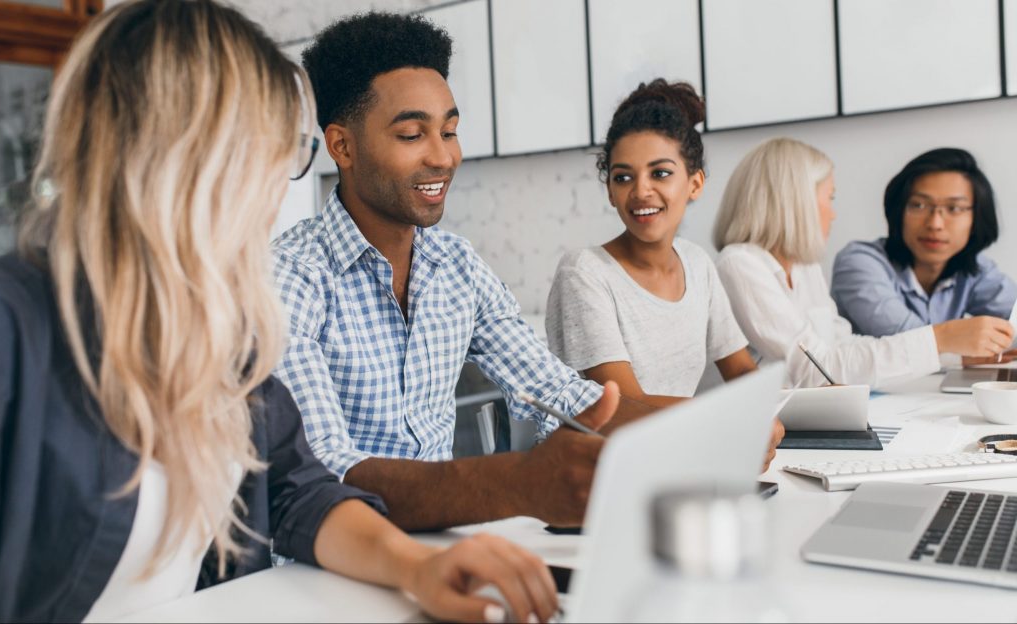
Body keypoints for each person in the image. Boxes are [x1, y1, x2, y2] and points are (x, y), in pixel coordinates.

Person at [0, 2, 558, 622]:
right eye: (267, 154)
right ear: (178, 157)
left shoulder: (215, 329)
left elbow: (299, 493)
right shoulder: (11, 325)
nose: (276, 189)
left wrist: (415, 566)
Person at [271, 10, 658, 532]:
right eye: (412, 135)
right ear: (342, 146)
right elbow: (324, 473)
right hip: (324, 574)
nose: (444, 156)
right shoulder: (291, 277)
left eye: (450, 131)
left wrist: (713, 430)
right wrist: (517, 483)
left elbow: (561, 396)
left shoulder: (457, 267)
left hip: (439, 550)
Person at [543, 79, 782, 466]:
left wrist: (763, 414)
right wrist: (729, 423)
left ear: (695, 183)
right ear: (609, 191)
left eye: (660, 173)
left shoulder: (698, 264)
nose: (640, 191)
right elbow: (622, 407)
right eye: (623, 177)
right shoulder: (585, 272)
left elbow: (740, 370)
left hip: (681, 454)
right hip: (599, 473)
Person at [712, 138, 1014, 389]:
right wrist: (943, 339)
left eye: (954, 208)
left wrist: (954, 354)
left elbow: (840, 345)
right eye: (830, 198)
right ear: (796, 203)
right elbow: (815, 369)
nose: (833, 214)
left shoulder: (805, 267)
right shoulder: (740, 264)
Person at [831, 148, 1017, 361]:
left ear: (976, 218)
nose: (935, 223)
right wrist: (961, 349)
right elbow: (905, 339)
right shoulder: (858, 262)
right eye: (918, 205)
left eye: (954, 208)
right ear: (898, 211)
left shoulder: (977, 270)